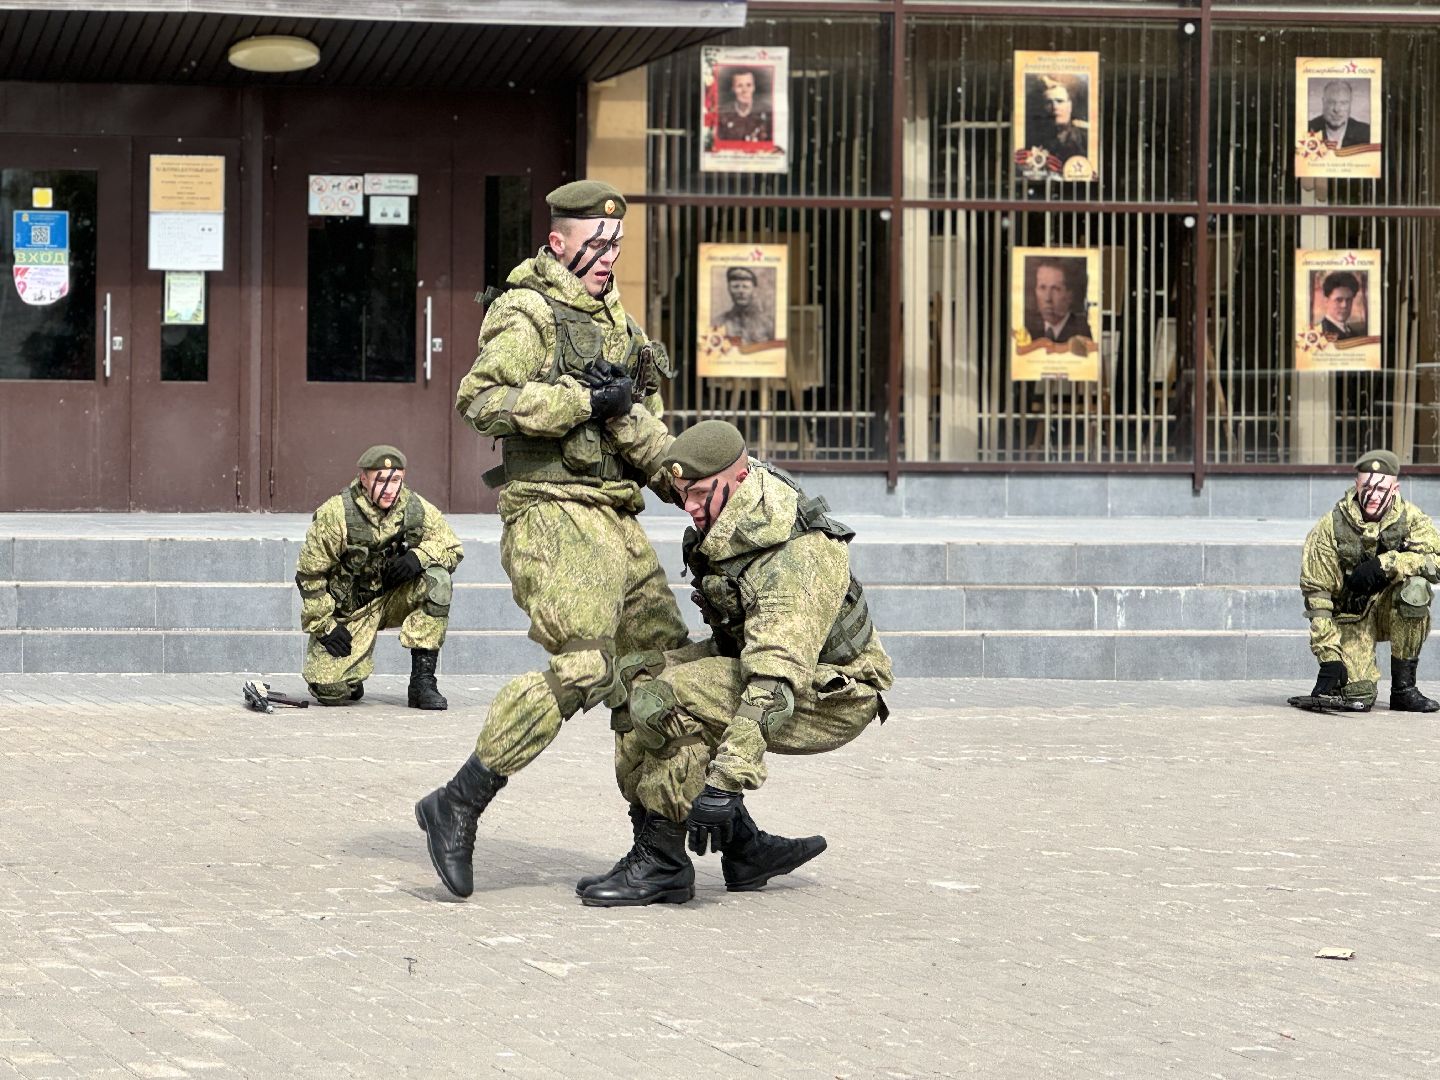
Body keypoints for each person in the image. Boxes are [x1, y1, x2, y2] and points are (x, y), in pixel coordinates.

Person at [417, 181, 809, 901]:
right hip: (553, 514)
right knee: (586, 667)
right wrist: (578, 401)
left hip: (617, 517)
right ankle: (459, 801)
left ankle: (686, 849)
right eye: (595, 246)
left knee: (665, 678)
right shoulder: (527, 309)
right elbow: (480, 399)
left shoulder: (619, 324)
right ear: (559, 243)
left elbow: (648, 432)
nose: (607, 260)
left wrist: (697, 480)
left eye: (616, 248)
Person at [578, 421, 895, 907]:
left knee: (667, 696)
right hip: (756, 664)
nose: (689, 507)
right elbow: (662, 454)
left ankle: (663, 861)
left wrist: (725, 783)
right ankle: (741, 849)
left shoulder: (796, 552)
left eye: (700, 494)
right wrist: (620, 412)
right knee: (632, 677)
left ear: (740, 479)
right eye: (685, 494)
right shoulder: (730, 502)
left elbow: (774, 681)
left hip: (830, 693)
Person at [295, 444, 463, 710]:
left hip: (394, 596)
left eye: (395, 480)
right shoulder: (337, 513)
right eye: (381, 480)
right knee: (330, 692)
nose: (389, 489)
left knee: (438, 580)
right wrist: (324, 625)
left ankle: (422, 683)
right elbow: (309, 575)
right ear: (364, 479)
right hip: (351, 609)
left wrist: (419, 557)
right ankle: (351, 677)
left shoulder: (415, 508)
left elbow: (453, 548)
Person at [1298, 450, 1440, 712]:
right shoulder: (1331, 526)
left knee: (1417, 589)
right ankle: (1350, 678)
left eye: (1381, 488)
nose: (1373, 495)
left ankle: (1404, 689)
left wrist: (1388, 564)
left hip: (1391, 609)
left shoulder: (1410, 518)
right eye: (1367, 487)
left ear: (1395, 488)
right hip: (1351, 617)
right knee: (1358, 697)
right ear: (1356, 485)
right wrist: (1329, 657)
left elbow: (1437, 562)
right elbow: (1317, 595)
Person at [1023, 258, 1094, 344]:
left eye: (1055, 289)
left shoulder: (1083, 333)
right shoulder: (1027, 331)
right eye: (1042, 287)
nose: (1047, 298)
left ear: (1069, 295)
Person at [1029, 75, 1088, 167]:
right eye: (1049, 102)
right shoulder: (1035, 140)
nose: (1055, 107)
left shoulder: (1085, 140)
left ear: (1070, 106)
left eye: (1060, 101)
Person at [717, 266, 775, 345]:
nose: (741, 291)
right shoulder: (719, 323)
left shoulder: (768, 323)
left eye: (746, 287)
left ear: (754, 290)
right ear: (729, 289)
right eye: (735, 286)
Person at [1307, 80, 1372, 149]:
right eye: (1331, 102)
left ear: (1350, 104)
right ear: (1323, 102)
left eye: (1343, 103)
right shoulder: (1307, 129)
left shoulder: (1367, 133)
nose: (1337, 109)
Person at [717, 68, 772, 143]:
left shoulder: (767, 111)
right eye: (739, 86)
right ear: (733, 89)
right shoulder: (722, 113)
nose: (745, 90)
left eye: (748, 85)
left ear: (754, 87)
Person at [1318, 271, 1364, 341]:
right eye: (1339, 300)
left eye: (1349, 300)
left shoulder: (1353, 333)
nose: (1344, 305)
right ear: (1326, 301)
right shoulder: (1320, 335)